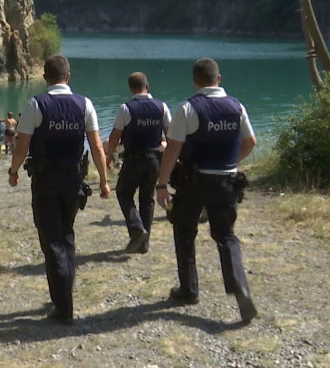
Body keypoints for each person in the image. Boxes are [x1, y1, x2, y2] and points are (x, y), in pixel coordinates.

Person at [8, 55, 111, 325]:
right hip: (74, 180)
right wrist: (103, 179)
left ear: (45, 77)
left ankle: (63, 308)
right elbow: (97, 146)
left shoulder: (36, 105)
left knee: (52, 239)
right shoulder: (85, 104)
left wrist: (14, 171)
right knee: (66, 234)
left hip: (45, 180)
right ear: (68, 76)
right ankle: (64, 294)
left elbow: (22, 145)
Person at [155, 58, 258, 323]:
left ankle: (189, 290)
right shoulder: (237, 107)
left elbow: (173, 149)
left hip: (194, 183)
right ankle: (240, 287)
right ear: (219, 79)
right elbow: (250, 141)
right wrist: (232, 164)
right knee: (226, 236)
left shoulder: (188, 108)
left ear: (195, 81)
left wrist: (162, 184)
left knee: (184, 231)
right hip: (226, 182)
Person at [105, 72, 171, 254]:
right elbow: (170, 135)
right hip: (154, 160)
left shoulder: (126, 109)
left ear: (130, 88)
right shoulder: (162, 107)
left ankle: (136, 229)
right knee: (147, 199)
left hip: (134, 160)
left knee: (124, 193)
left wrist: (109, 155)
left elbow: (115, 136)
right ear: (147, 86)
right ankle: (144, 244)